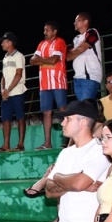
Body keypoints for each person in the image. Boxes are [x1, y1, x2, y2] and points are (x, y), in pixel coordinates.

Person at [30, 21, 68, 150]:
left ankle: (67, 140)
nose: (44, 32)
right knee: (46, 112)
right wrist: (46, 60)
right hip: (44, 84)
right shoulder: (41, 44)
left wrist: (40, 60)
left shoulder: (60, 42)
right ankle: (47, 143)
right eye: (44, 30)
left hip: (58, 82)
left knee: (63, 110)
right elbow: (32, 61)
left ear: (54, 31)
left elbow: (54, 60)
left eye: (47, 30)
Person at [0, 32, 27, 152]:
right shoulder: (5, 58)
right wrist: (2, 90)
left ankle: (20, 144)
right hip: (6, 93)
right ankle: (6, 144)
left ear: (10, 42)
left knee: (20, 117)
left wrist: (7, 90)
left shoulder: (19, 56)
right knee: (5, 119)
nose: (2, 44)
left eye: (3, 41)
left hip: (17, 91)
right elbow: (3, 77)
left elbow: (18, 75)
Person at [67, 12, 103, 102]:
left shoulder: (92, 32)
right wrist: (80, 48)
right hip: (77, 77)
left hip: (90, 76)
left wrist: (76, 50)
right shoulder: (76, 38)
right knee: (83, 107)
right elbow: (68, 57)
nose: (74, 23)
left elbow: (81, 49)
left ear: (85, 21)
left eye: (77, 21)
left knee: (86, 105)